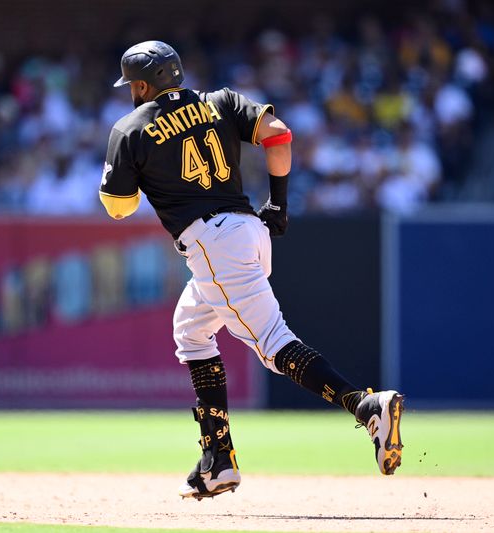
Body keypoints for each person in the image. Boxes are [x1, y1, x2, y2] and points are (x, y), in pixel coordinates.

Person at [99, 40, 404, 500]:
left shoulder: (131, 127)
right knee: (192, 331)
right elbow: (279, 135)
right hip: (248, 230)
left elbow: (119, 208)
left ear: (141, 85)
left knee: (273, 345)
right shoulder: (220, 101)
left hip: (212, 245)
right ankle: (217, 460)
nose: (130, 93)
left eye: (132, 86)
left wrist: (141, 173)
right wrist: (278, 203)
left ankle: (364, 405)